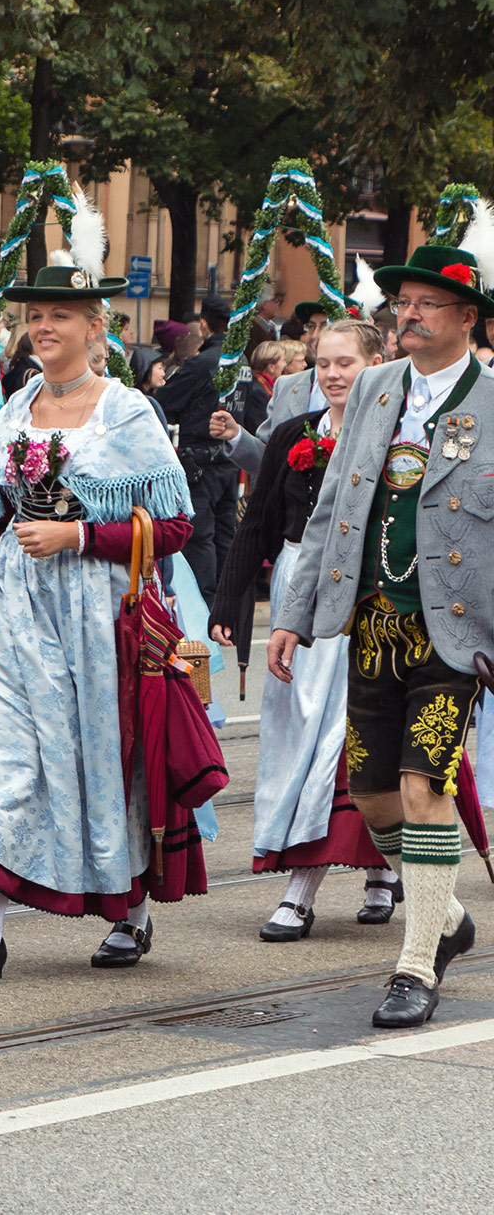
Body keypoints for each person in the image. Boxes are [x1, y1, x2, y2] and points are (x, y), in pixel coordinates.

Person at [0, 261, 199, 982]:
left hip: (94, 614)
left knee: (100, 755)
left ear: (96, 327)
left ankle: (128, 910)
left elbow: (178, 524)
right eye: (36, 315)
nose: (44, 327)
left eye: (60, 315)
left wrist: (83, 536)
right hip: (8, 609)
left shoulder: (126, 413)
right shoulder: (18, 405)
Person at [268, 242, 494, 1029]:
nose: (409, 312)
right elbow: (331, 506)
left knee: (422, 788)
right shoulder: (373, 388)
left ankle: (415, 960)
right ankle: (447, 916)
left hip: (455, 630)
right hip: (370, 622)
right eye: (404, 300)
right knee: (368, 791)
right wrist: (294, 613)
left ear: (468, 317)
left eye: (429, 302)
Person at [210, 319, 395, 939]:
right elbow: (257, 523)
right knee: (296, 735)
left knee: (346, 737)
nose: (335, 374)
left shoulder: (396, 438)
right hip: (297, 594)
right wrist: (227, 603)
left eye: (348, 362)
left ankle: (308, 886)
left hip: (366, 602)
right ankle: (376, 865)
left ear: (379, 362)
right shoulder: (294, 433)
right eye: (324, 363)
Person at [155, 296, 241, 589]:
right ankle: (226, 612)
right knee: (225, 537)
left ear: (203, 324)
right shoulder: (240, 361)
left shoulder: (202, 363)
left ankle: (206, 613)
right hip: (230, 461)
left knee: (200, 540)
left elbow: (164, 403)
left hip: (200, 465)